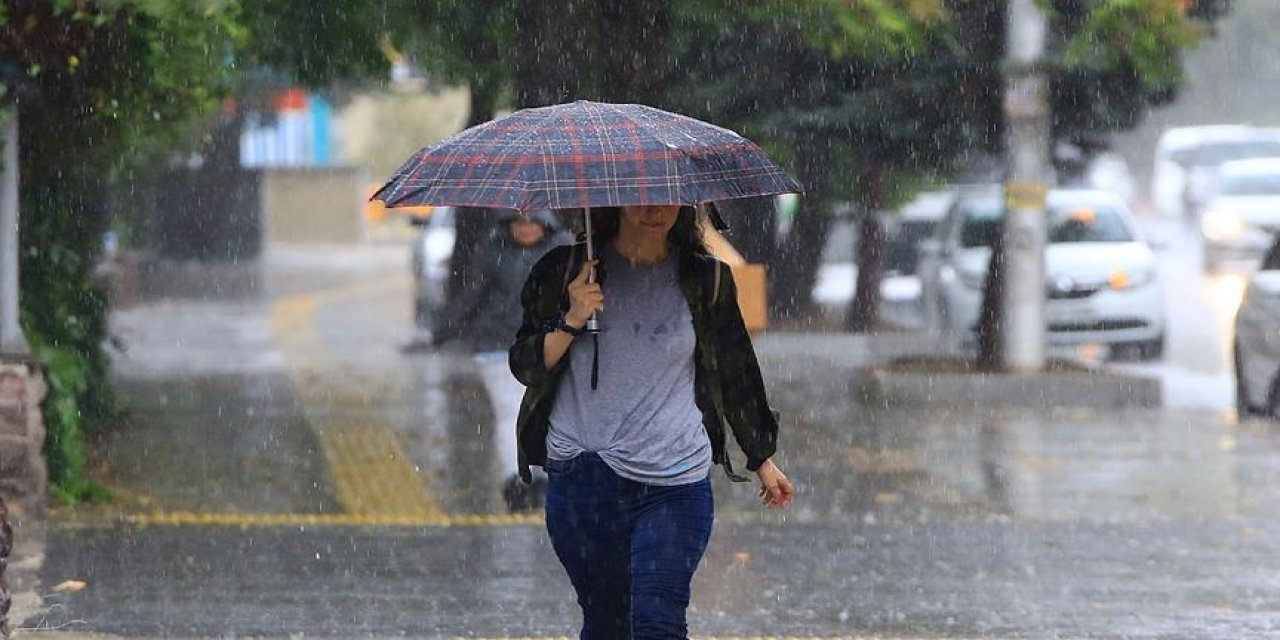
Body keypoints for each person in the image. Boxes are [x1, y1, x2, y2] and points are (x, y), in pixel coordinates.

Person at [509, 204, 795, 639]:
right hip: (583, 476)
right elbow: (526, 367)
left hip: (675, 480)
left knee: (657, 620)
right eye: (640, 193)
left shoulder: (706, 278)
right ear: (615, 198)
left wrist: (761, 456)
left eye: (666, 194)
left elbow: (736, 369)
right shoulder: (564, 270)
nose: (653, 207)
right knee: (607, 623)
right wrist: (572, 318)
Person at [431, 209, 570, 511]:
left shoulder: (566, 251)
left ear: (546, 223)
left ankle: (543, 479)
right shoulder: (492, 252)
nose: (525, 229)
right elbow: (472, 295)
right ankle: (516, 481)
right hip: (497, 346)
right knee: (511, 414)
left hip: (548, 346)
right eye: (519, 222)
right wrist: (444, 330)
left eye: (532, 222)